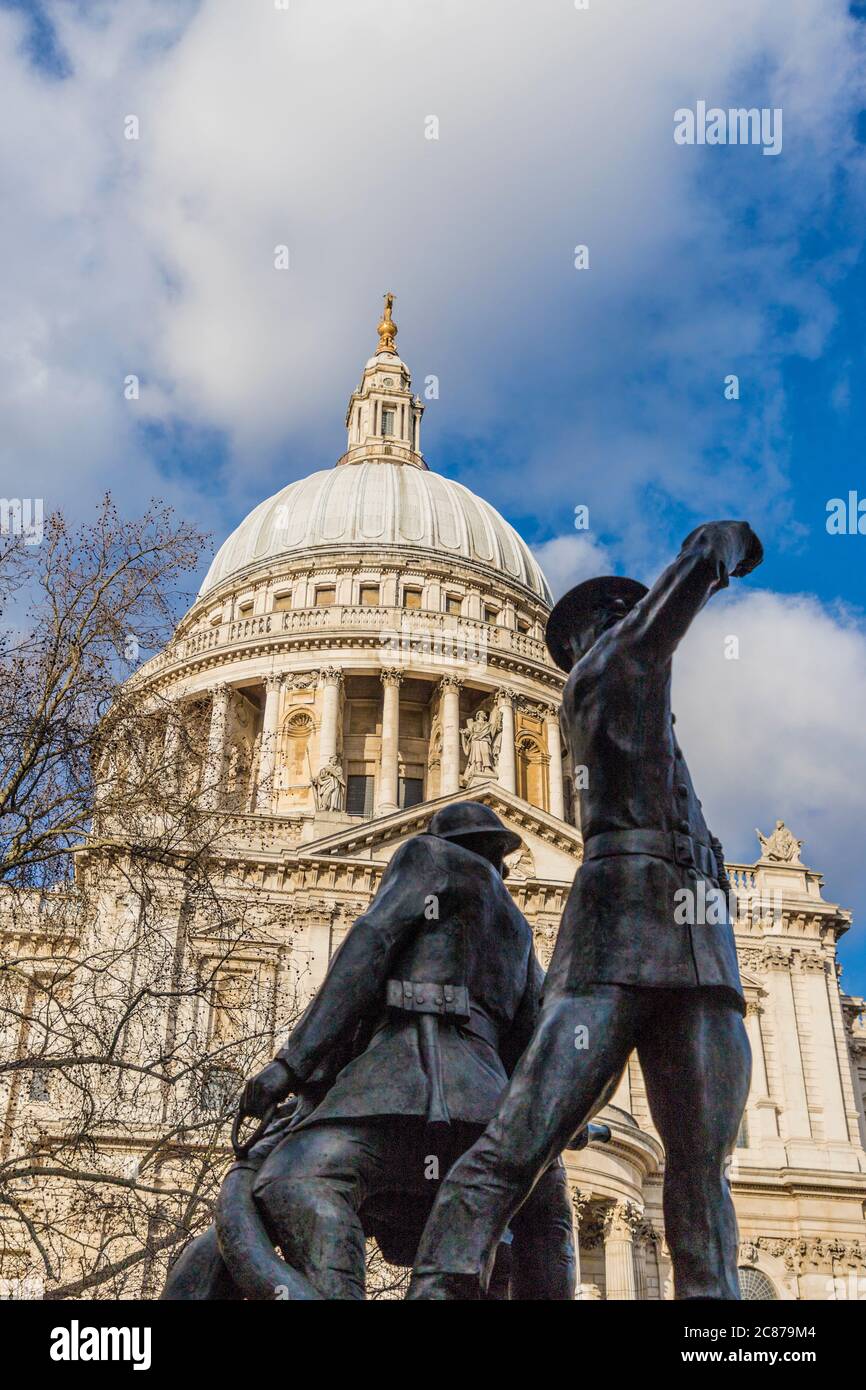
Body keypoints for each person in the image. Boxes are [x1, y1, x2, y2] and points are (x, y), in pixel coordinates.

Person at [408, 520, 763, 1301]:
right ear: (597, 636)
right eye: (626, 615)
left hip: (699, 959)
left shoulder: (657, 734)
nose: (645, 631)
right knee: (523, 1134)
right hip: (616, 944)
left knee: (702, 1173)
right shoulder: (611, 670)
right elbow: (662, 617)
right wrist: (713, 552)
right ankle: (439, 1283)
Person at [163, 801, 575, 1300]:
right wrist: (555, 1121)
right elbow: (536, 1039)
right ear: (494, 852)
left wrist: (290, 1066)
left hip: (411, 1093)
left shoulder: (432, 857)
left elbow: (368, 948)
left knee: (296, 1179)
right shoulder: (518, 928)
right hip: (491, 1116)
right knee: (539, 1220)